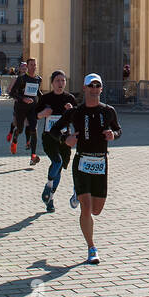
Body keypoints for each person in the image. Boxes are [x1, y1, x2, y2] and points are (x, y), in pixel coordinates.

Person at [48, 72, 120, 264]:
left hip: (101, 163)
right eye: (91, 86)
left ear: (101, 89)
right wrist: (66, 139)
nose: (95, 89)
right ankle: (91, 248)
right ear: (85, 88)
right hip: (81, 163)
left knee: (97, 210)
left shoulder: (108, 111)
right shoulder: (75, 112)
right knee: (86, 208)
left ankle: (77, 195)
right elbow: (54, 130)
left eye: (98, 86)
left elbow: (118, 130)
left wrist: (113, 134)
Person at [36, 70, 77, 212]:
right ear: (52, 83)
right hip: (49, 137)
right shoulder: (46, 98)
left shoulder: (70, 98)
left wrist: (71, 111)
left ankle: (50, 199)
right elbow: (35, 116)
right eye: (57, 81)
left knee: (59, 168)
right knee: (57, 161)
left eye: (63, 81)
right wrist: (43, 114)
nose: (60, 83)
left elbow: (77, 120)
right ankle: (48, 185)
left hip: (65, 138)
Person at [7, 58, 43, 164]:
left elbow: (37, 92)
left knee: (34, 130)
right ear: (27, 66)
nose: (33, 67)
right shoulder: (22, 79)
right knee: (21, 129)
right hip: (21, 108)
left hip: (32, 108)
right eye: (31, 65)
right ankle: (15, 137)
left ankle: (33, 156)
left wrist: (46, 101)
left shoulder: (38, 79)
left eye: (35, 65)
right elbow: (12, 93)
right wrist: (23, 99)